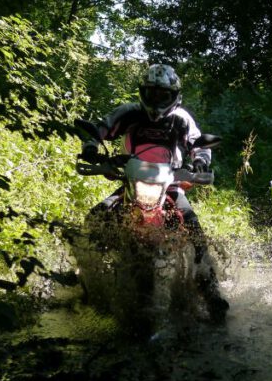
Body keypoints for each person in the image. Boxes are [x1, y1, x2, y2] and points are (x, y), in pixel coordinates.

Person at [79, 63, 229, 319]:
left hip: (169, 185)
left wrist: (201, 161)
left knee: (193, 227)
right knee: (95, 219)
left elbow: (198, 143)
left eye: (164, 95)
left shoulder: (181, 118)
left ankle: (211, 291)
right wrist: (91, 147)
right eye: (152, 93)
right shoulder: (128, 113)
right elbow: (100, 128)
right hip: (130, 182)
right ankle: (87, 283)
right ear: (143, 92)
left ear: (175, 95)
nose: (157, 100)